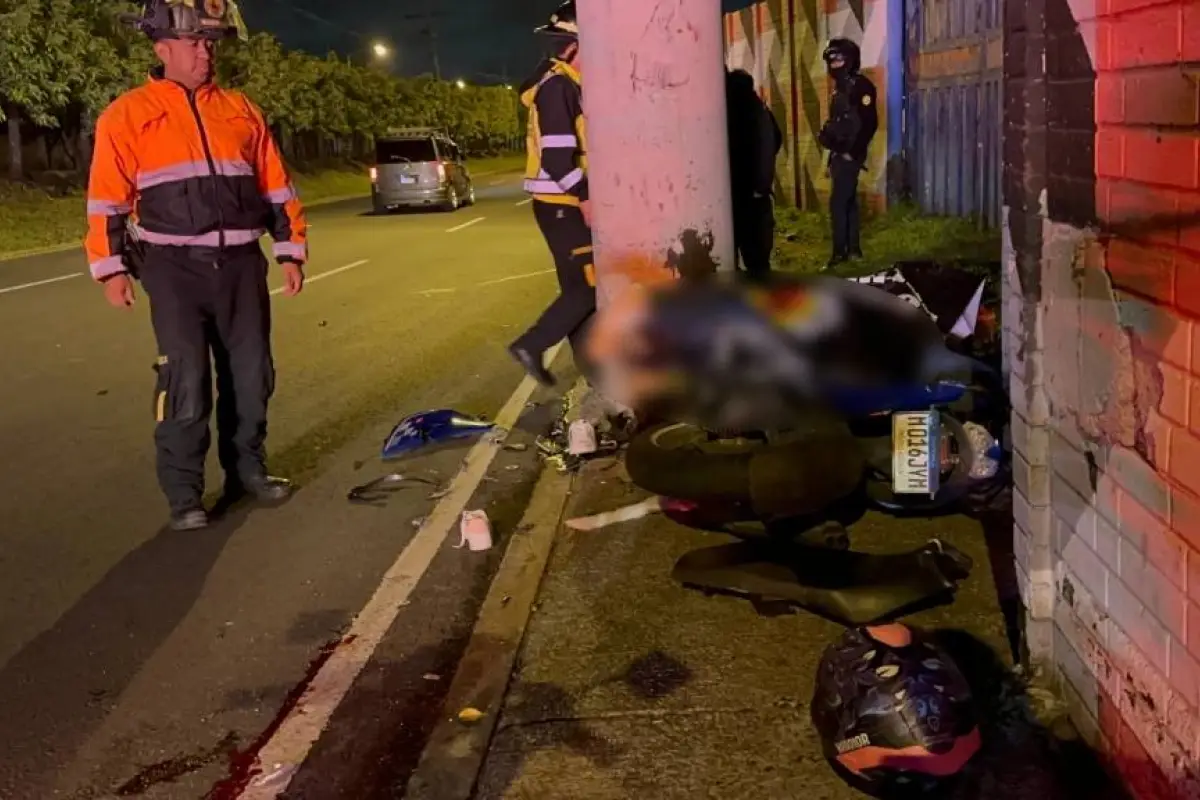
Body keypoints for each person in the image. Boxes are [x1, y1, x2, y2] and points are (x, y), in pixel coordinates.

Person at [85, 0, 306, 531]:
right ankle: (184, 494)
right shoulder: (127, 114)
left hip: (240, 264)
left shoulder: (240, 109)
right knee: (185, 381)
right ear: (162, 48)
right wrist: (111, 268)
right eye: (195, 43)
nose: (206, 53)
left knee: (252, 377)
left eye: (211, 43)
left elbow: (274, 183)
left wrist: (290, 248)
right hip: (172, 267)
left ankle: (247, 472)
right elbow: (106, 200)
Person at [508, 0, 595, 387]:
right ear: (575, 47)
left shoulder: (563, 85)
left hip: (560, 206)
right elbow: (558, 160)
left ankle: (594, 369)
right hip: (563, 206)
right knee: (589, 285)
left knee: (579, 290)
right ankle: (532, 343)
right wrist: (586, 197)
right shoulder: (558, 89)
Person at [817, 38, 877, 268]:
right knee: (848, 202)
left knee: (838, 203)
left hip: (849, 155)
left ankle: (839, 254)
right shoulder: (840, 88)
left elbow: (869, 122)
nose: (834, 64)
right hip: (839, 153)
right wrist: (828, 137)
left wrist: (854, 151)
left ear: (850, 60)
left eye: (839, 59)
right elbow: (841, 122)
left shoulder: (861, 86)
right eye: (831, 60)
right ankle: (853, 251)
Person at [726, 69, 783, 281]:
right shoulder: (759, 109)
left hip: (738, 197)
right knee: (758, 264)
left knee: (734, 262)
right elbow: (775, 139)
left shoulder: (730, 113)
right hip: (758, 196)